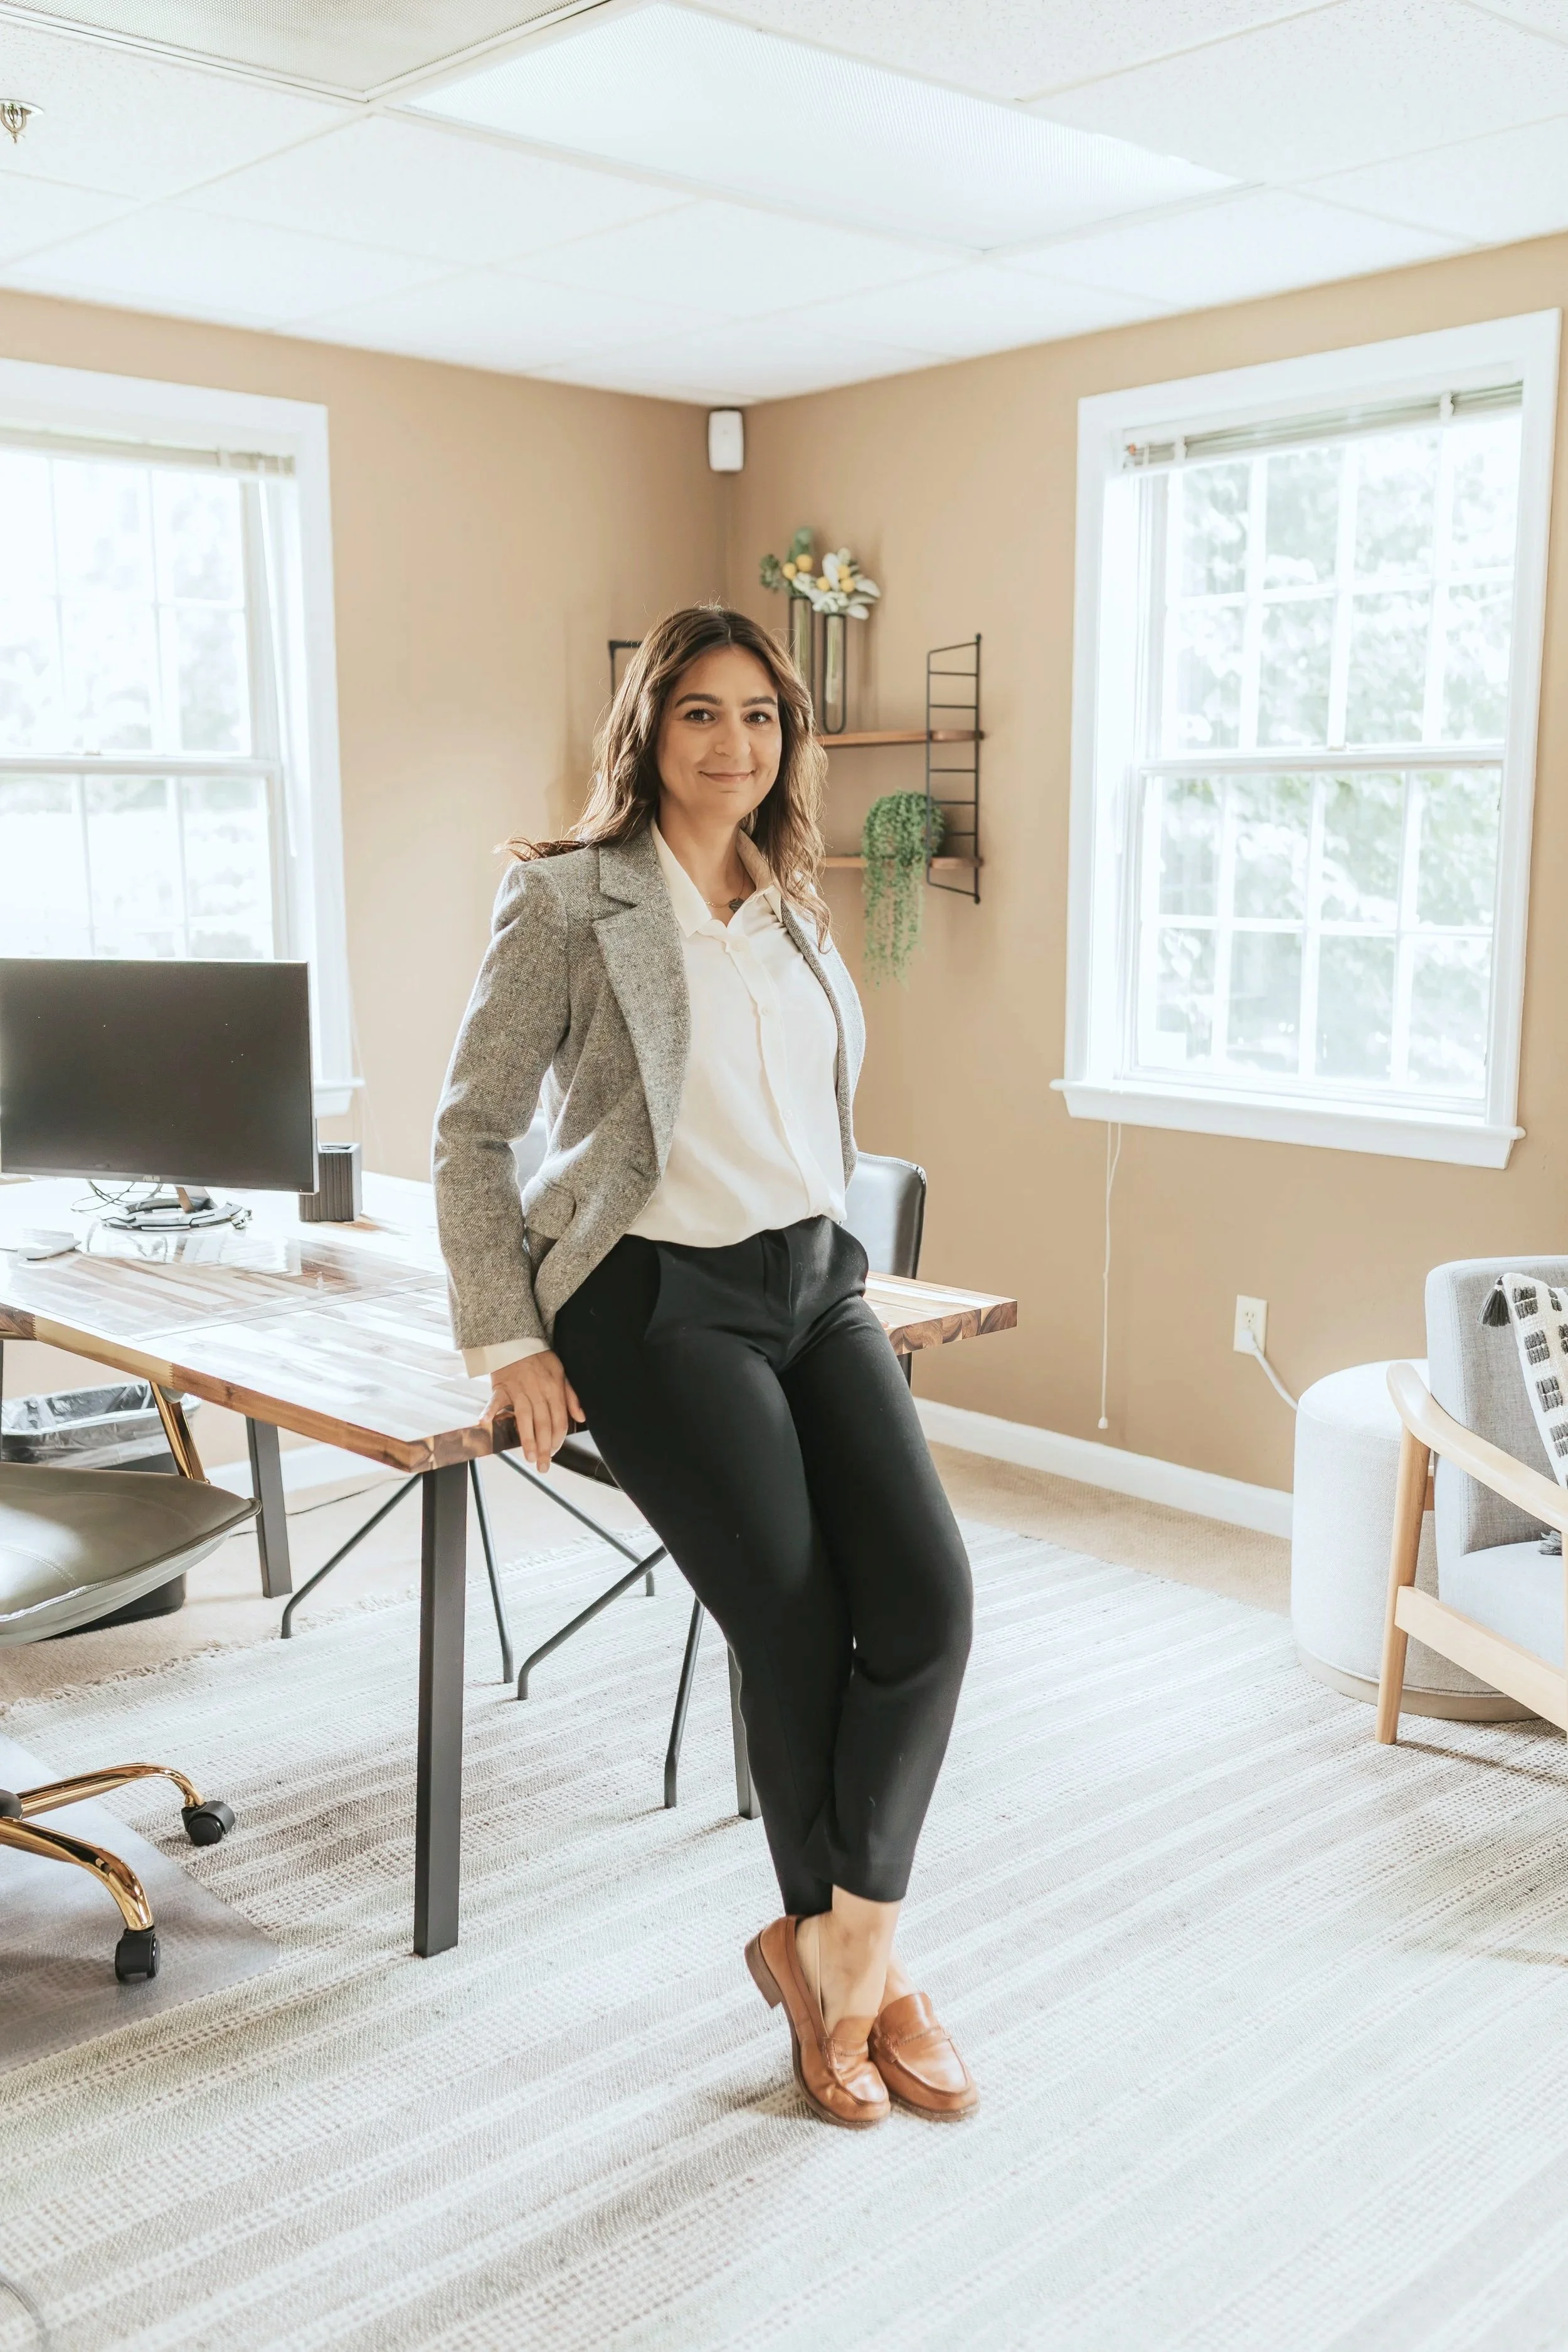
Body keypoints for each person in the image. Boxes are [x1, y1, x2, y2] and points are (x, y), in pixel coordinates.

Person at [433, 604, 977, 2127]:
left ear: (783, 739)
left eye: (757, 715)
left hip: (814, 1284)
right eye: (698, 714)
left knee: (926, 1605)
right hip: (656, 1299)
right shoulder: (566, 899)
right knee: (793, 1626)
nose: (731, 743)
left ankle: (837, 1950)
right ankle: (862, 1982)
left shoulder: (794, 905)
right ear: (647, 732)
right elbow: (471, 1129)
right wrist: (510, 1332)